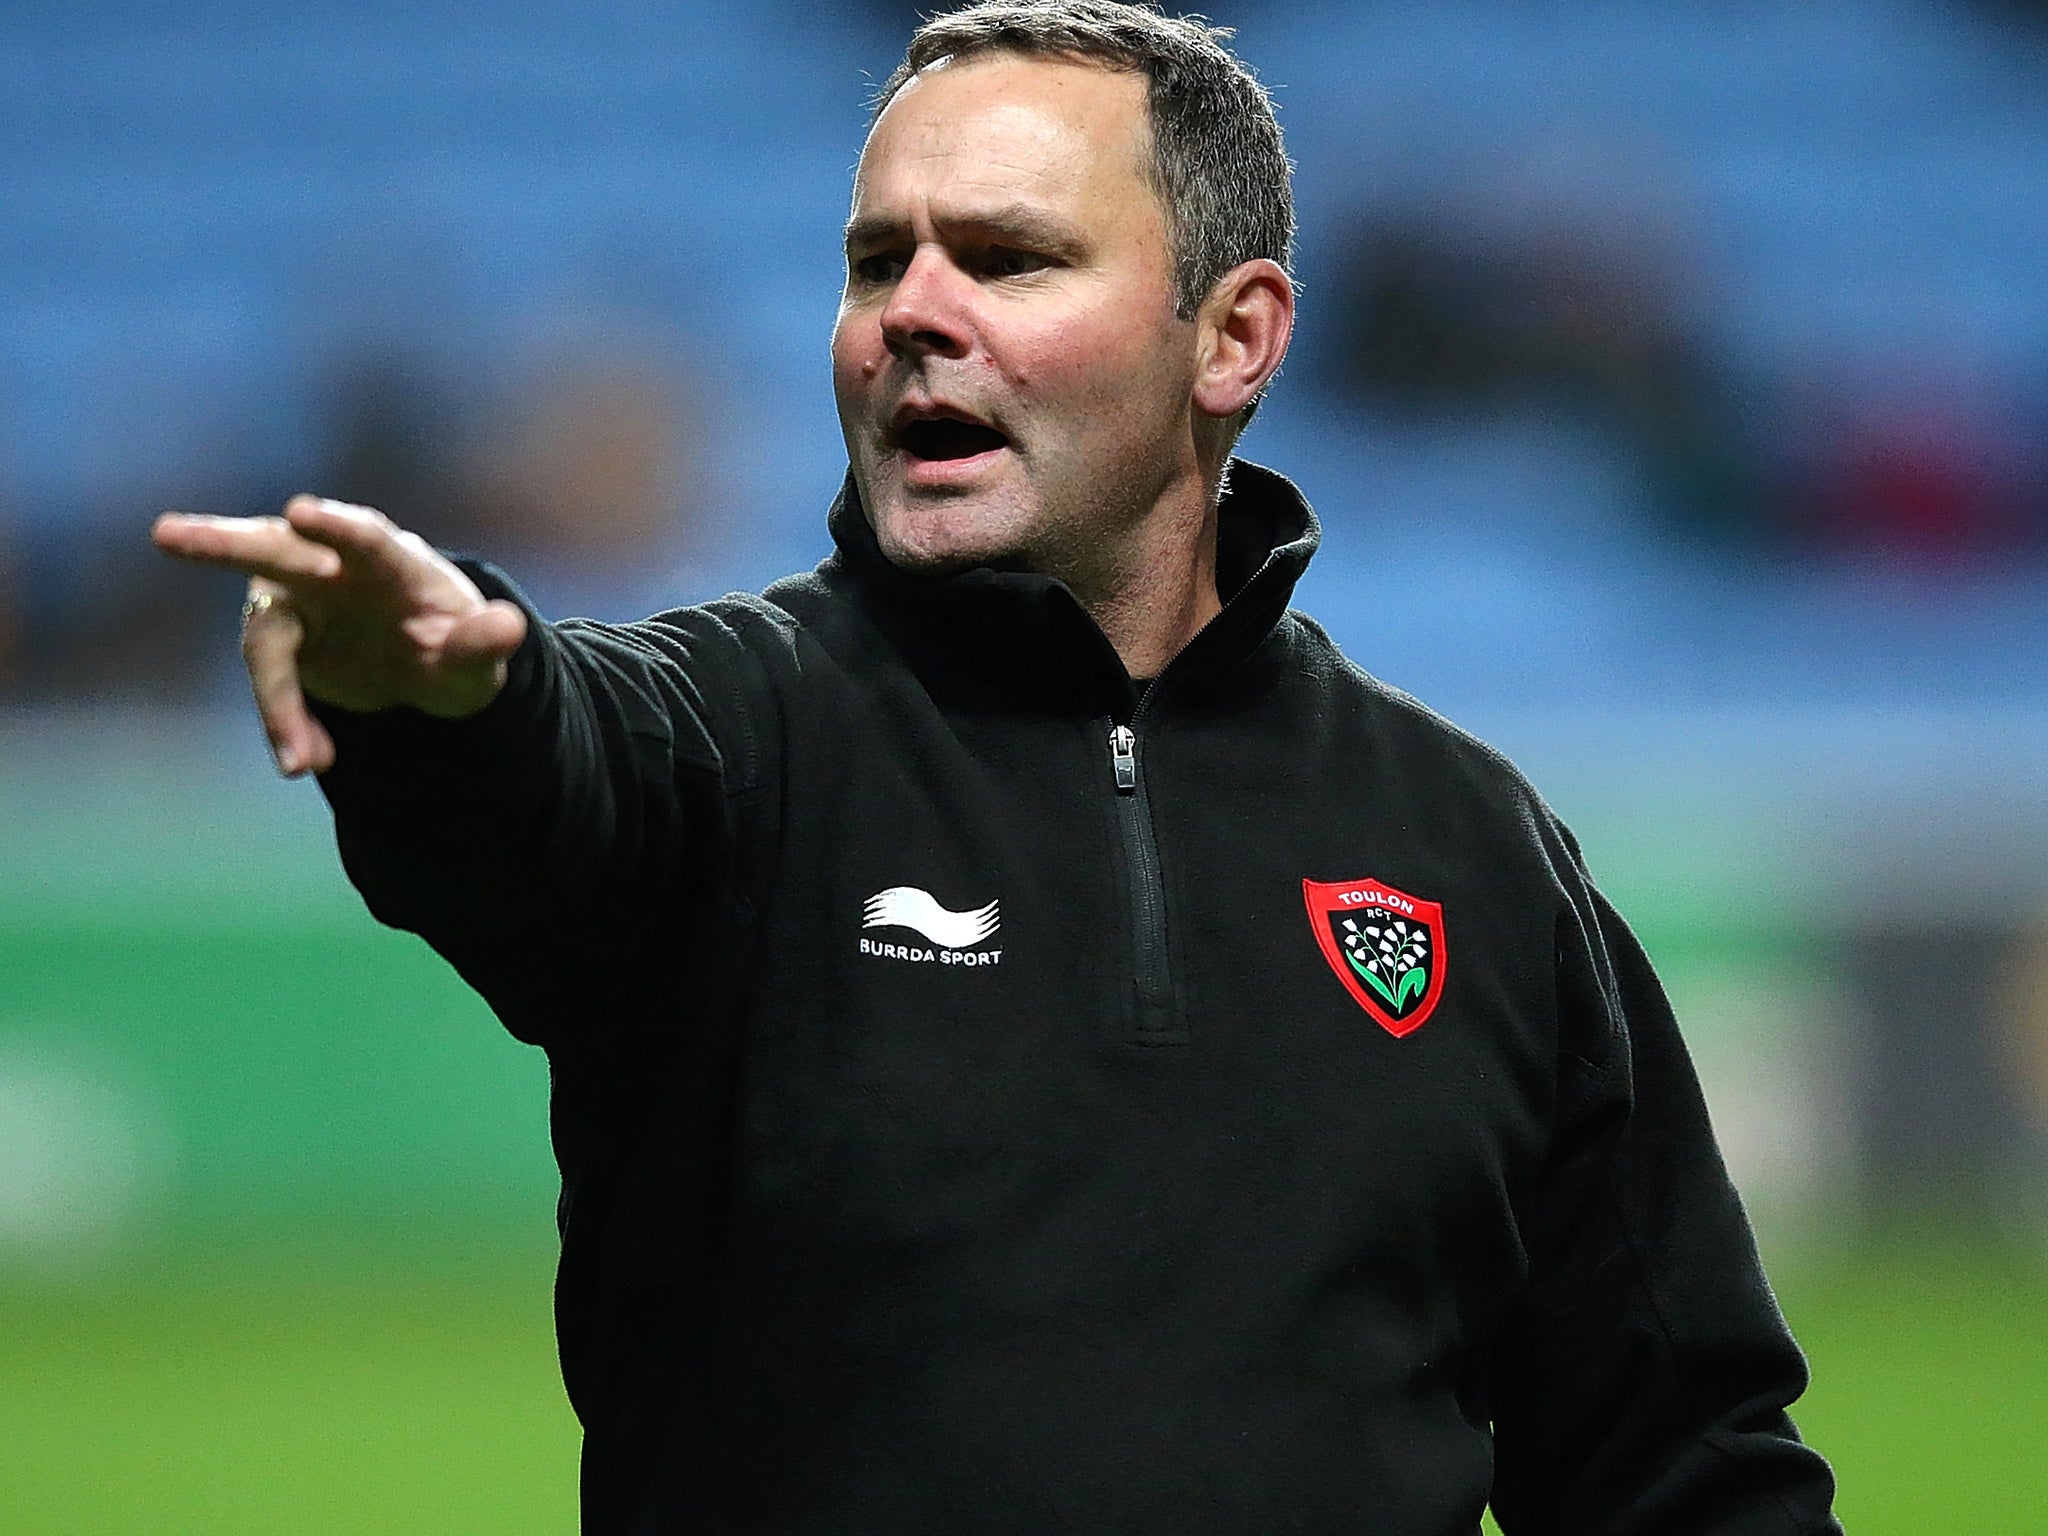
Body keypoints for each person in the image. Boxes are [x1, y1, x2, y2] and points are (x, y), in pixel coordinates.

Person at [153, 4, 1843, 1532]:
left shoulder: (1472, 851)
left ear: (1234, 339)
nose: (912, 315)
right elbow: (550, 782)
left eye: (1011, 257)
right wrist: (442, 693)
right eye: (879, 258)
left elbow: (1679, 1465)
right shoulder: (739, 737)